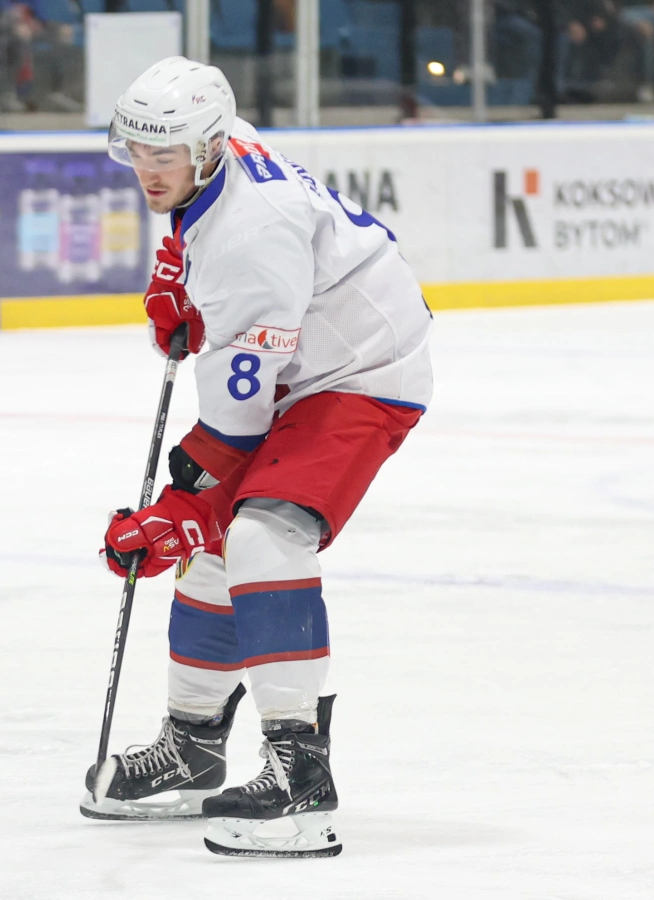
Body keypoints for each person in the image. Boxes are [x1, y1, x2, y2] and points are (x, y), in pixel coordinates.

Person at [87, 57, 433, 858]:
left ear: (207, 147)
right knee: (216, 547)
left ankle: (300, 777)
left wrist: (179, 510)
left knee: (260, 534)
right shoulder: (220, 147)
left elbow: (233, 430)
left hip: (361, 374)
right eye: (136, 151)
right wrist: (178, 276)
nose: (147, 169)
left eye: (163, 155)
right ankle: (193, 745)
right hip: (310, 352)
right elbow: (200, 235)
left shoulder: (251, 239)